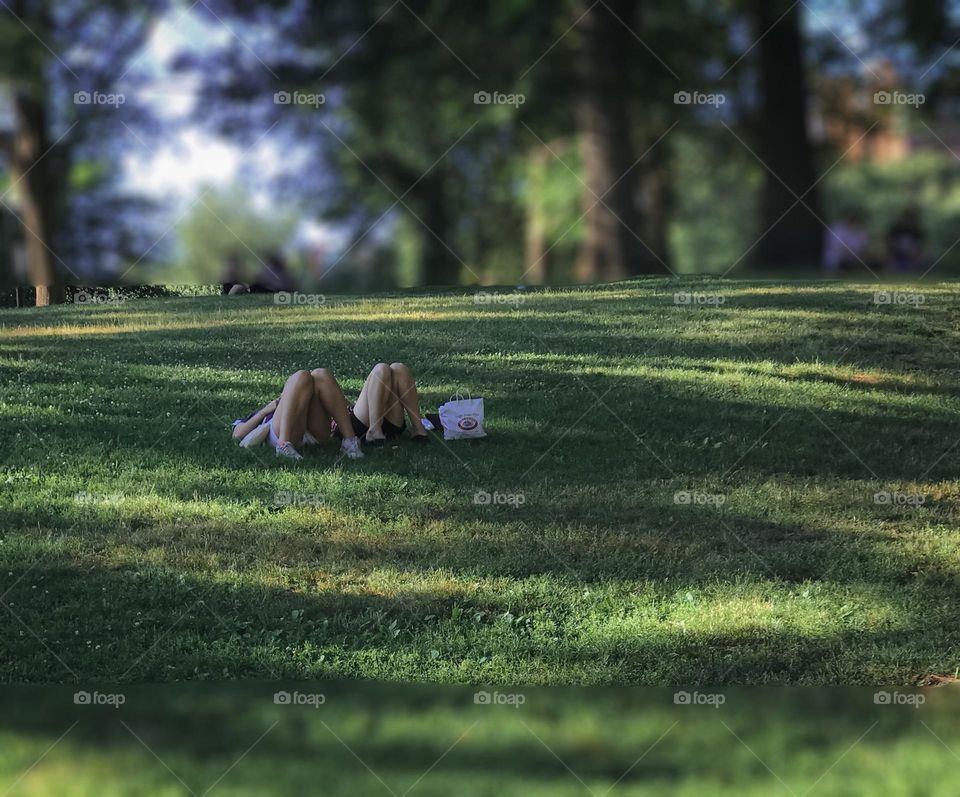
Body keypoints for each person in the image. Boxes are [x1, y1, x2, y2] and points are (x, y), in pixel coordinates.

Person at [232, 368, 364, 460]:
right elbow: (237, 434)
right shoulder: (264, 413)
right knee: (301, 376)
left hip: (314, 432)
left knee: (321, 374)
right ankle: (283, 445)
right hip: (285, 431)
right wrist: (264, 411)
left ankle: (350, 442)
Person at [343, 363, 430, 446]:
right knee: (381, 369)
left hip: (386, 423)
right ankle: (419, 429)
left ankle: (418, 429)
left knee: (399, 368)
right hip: (359, 426)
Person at [886, 207, 929, 273]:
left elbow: (922, 245)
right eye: (907, 218)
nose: (908, 220)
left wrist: (916, 252)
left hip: (913, 257)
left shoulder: (917, 230)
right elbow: (889, 242)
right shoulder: (896, 228)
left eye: (910, 218)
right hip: (897, 256)